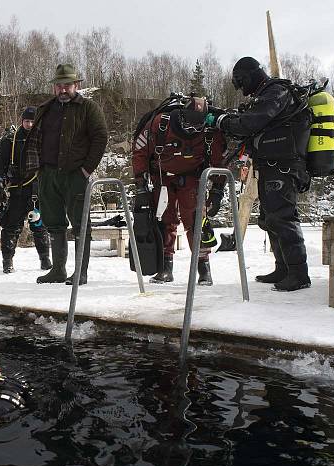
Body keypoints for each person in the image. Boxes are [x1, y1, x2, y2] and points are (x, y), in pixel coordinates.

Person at [206, 57, 312, 291]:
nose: (242, 90)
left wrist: (221, 121)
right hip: (270, 165)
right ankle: (283, 268)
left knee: (283, 217)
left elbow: (250, 124)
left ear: (250, 75)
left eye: (241, 83)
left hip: (283, 166)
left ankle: (298, 273)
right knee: (269, 218)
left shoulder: (277, 92)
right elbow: (249, 122)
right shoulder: (265, 96)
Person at [22, 64, 108, 285]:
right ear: (54, 87)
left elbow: (100, 138)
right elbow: (35, 139)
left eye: (67, 85)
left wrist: (86, 169)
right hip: (48, 174)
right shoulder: (45, 108)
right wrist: (39, 171)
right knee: (54, 222)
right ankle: (58, 270)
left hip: (75, 175)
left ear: (76, 85)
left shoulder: (89, 108)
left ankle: (81, 272)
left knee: (80, 223)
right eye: (59, 85)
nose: (62, 90)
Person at [132, 95, 227, 285]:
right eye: (189, 124)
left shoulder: (210, 132)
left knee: (196, 222)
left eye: (197, 126)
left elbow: (219, 161)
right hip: (162, 178)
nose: (192, 129)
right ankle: (165, 268)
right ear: (181, 116)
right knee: (165, 221)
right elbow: (140, 151)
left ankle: (203, 268)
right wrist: (140, 184)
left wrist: (217, 190)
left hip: (192, 180)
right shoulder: (160, 124)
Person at [0, 107, 51, 274]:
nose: (29, 124)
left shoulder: (43, 140)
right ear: (21, 121)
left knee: (39, 226)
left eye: (33, 122)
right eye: (27, 121)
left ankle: (45, 260)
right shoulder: (10, 141)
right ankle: (7, 261)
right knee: (11, 227)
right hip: (16, 190)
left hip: (36, 190)